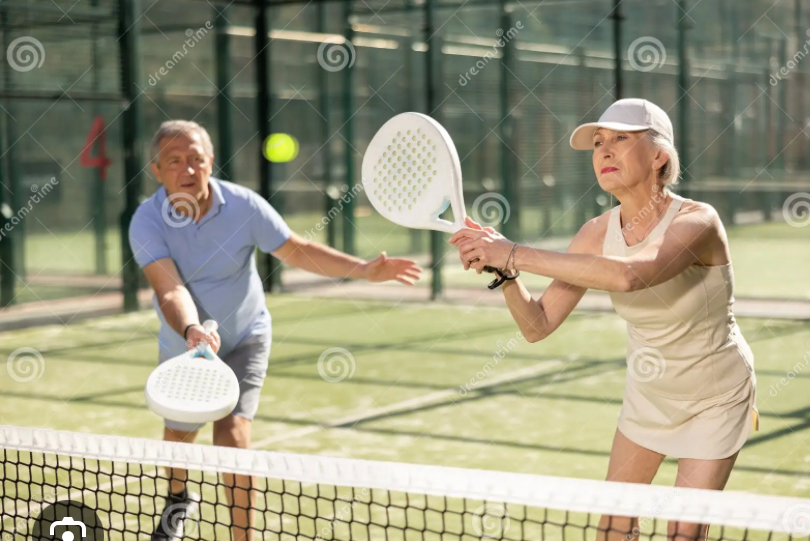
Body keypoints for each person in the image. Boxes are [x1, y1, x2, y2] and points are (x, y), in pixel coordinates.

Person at [450, 98, 758, 541]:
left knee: (683, 534)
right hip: (649, 395)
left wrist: (512, 251)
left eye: (620, 139)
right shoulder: (596, 232)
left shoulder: (697, 221)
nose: (605, 151)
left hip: (716, 396)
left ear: (659, 156)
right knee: (613, 528)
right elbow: (537, 325)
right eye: (598, 143)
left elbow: (631, 276)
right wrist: (506, 272)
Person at [129, 120, 422, 541]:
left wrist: (363, 270)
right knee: (179, 434)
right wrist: (193, 330)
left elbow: (296, 249)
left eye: (196, 159)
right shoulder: (146, 221)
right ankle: (178, 498)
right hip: (186, 343)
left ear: (211, 162)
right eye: (175, 161)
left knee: (231, 433)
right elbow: (169, 287)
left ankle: (242, 538)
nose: (188, 170)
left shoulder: (245, 206)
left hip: (246, 334)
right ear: (156, 170)